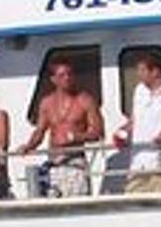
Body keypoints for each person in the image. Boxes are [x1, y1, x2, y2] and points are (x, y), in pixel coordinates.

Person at [19, 58, 105, 198]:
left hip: (75, 162)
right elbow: (40, 131)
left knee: (78, 203)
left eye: (69, 74)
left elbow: (98, 131)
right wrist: (29, 146)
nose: (67, 78)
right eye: (62, 75)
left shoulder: (85, 100)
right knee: (53, 203)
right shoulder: (47, 103)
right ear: (53, 79)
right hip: (54, 162)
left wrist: (76, 137)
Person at [112, 49, 161, 194]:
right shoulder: (139, 91)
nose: (138, 74)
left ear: (155, 72)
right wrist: (123, 132)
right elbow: (134, 120)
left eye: (142, 70)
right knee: (133, 202)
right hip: (138, 164)